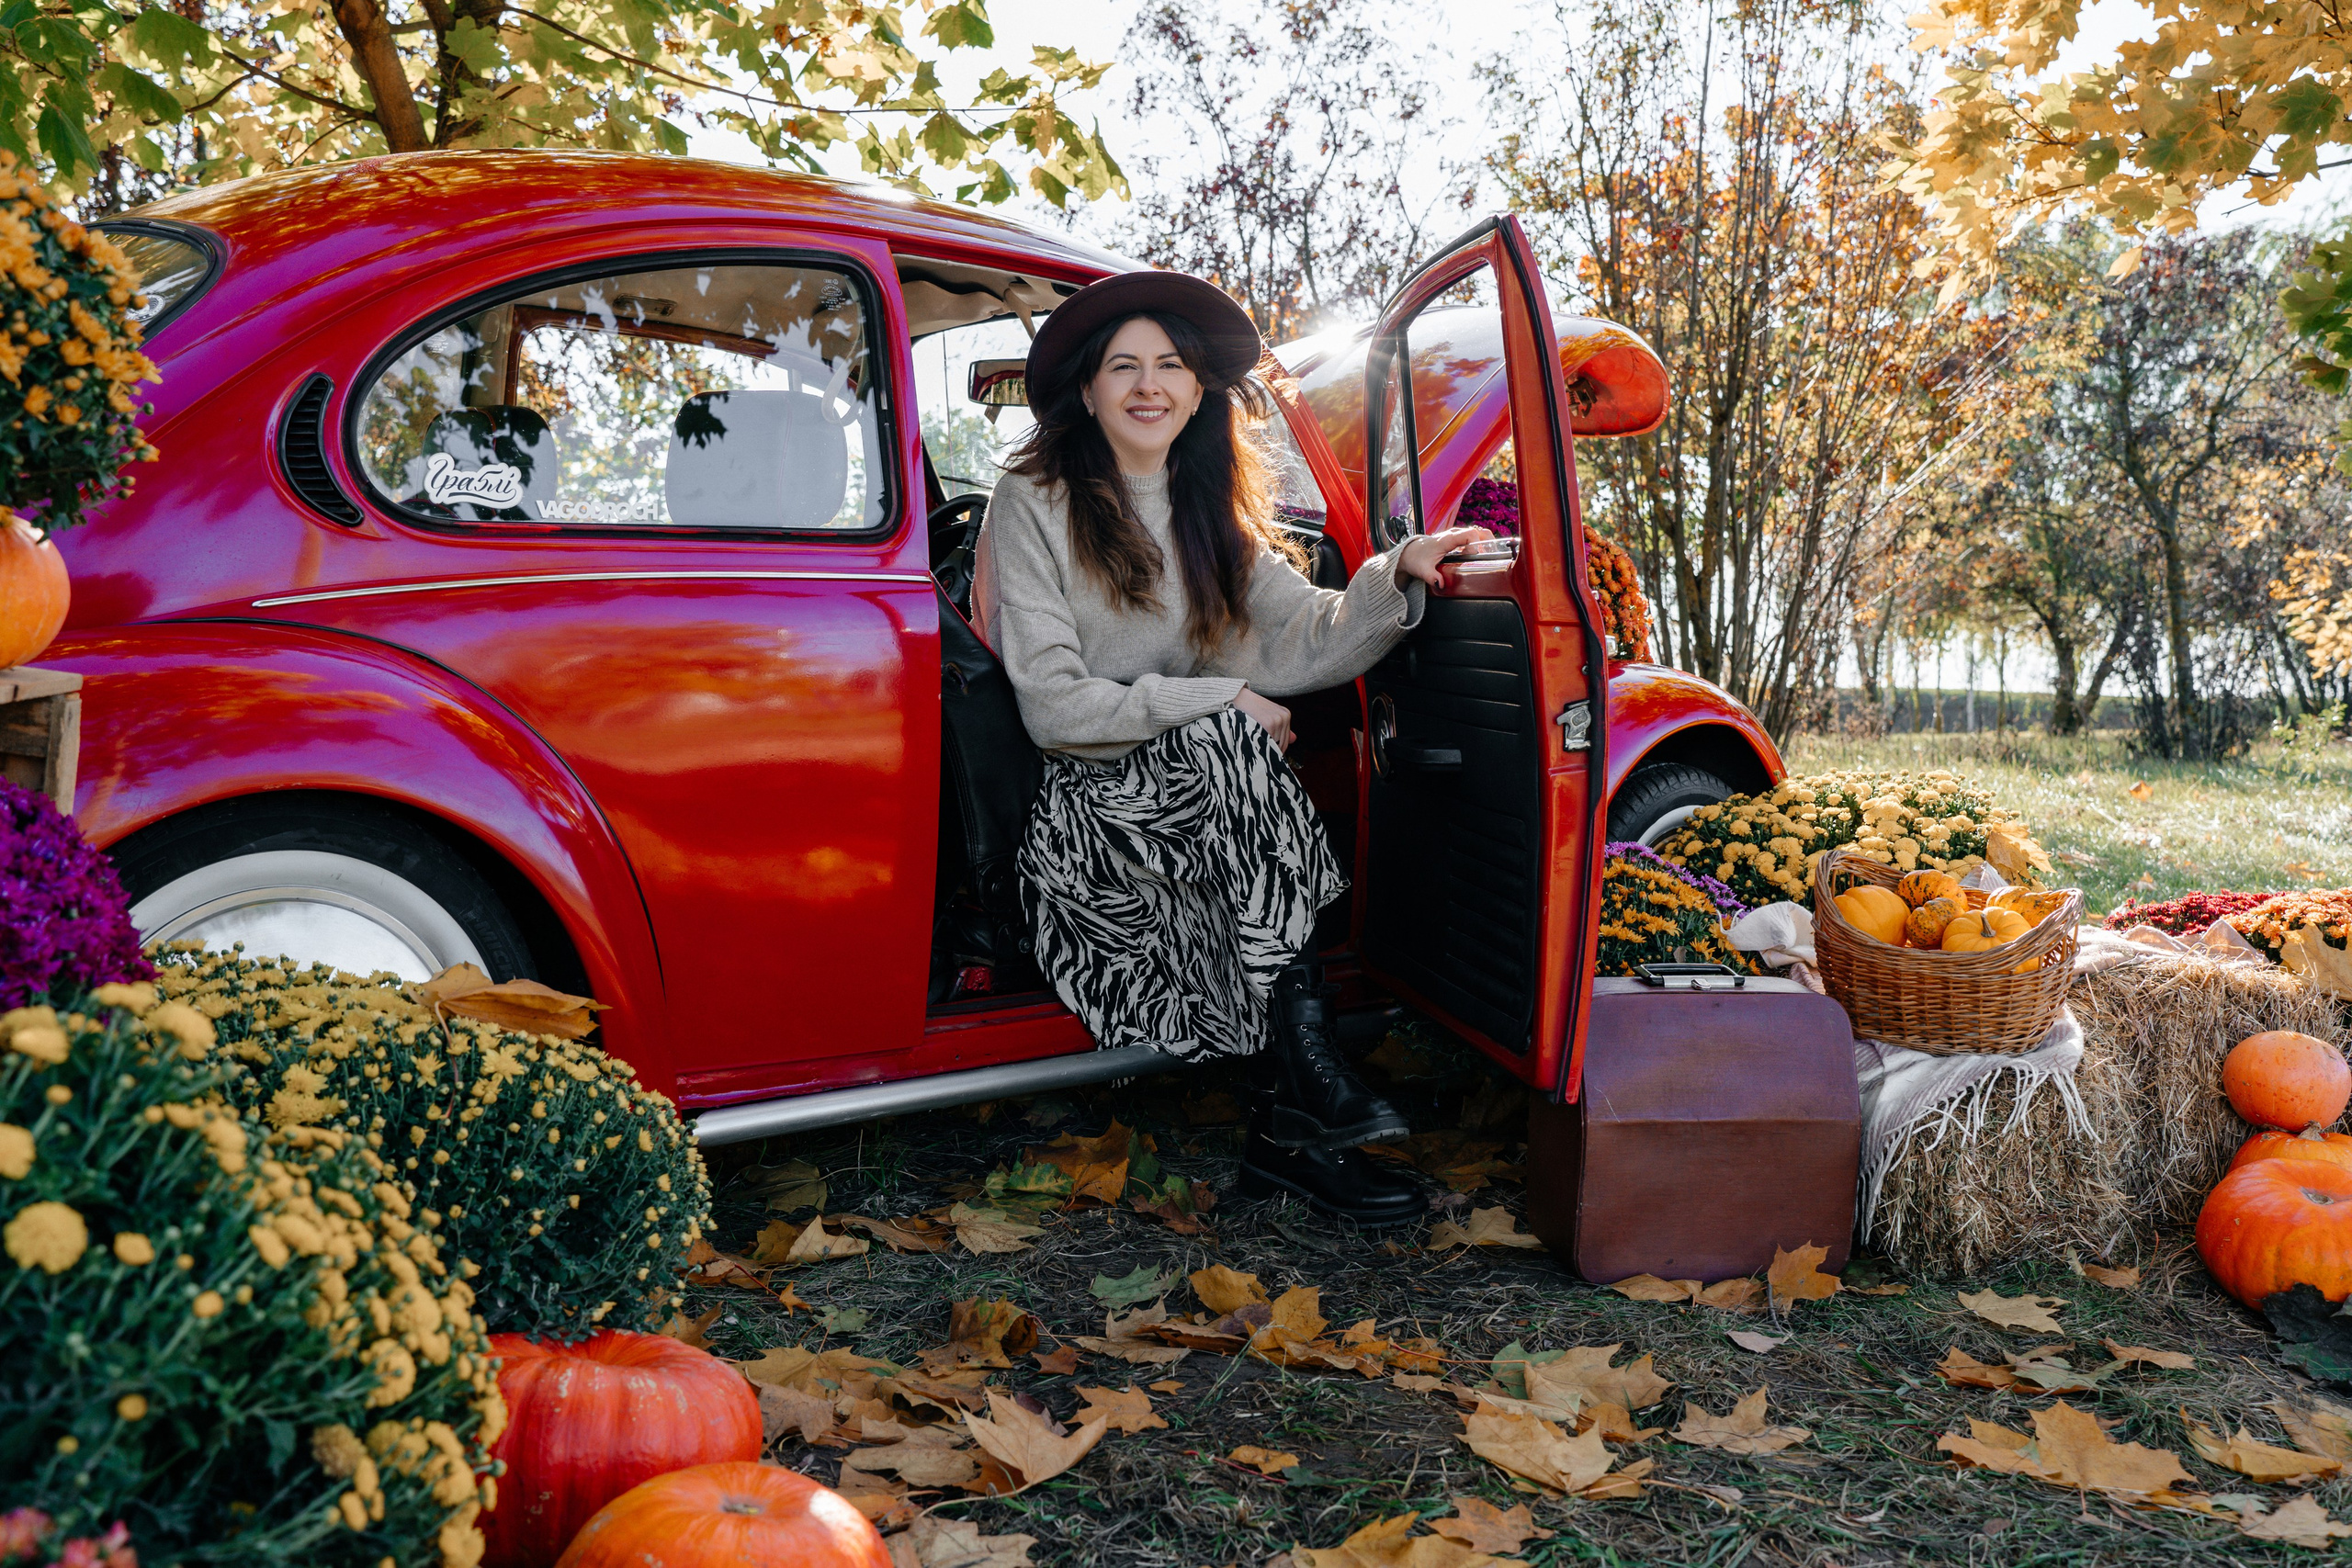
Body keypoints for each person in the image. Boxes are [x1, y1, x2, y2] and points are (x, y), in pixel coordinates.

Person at [972, 270, 1488, 1224]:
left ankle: (1296, 1116)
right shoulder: (1031, 501)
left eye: (1169, 364)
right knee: (1231, 738)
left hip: (1202, 808)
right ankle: (1309, 1091)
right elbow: (1052, 708)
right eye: (1122, 365)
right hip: (1087, 827)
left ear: (1199, 388)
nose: (1147, 384)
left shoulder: (1208, 503)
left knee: (1230, 744)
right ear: (1085, 390)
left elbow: (1313, 631)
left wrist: (1396, 569)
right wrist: (1221, 701)